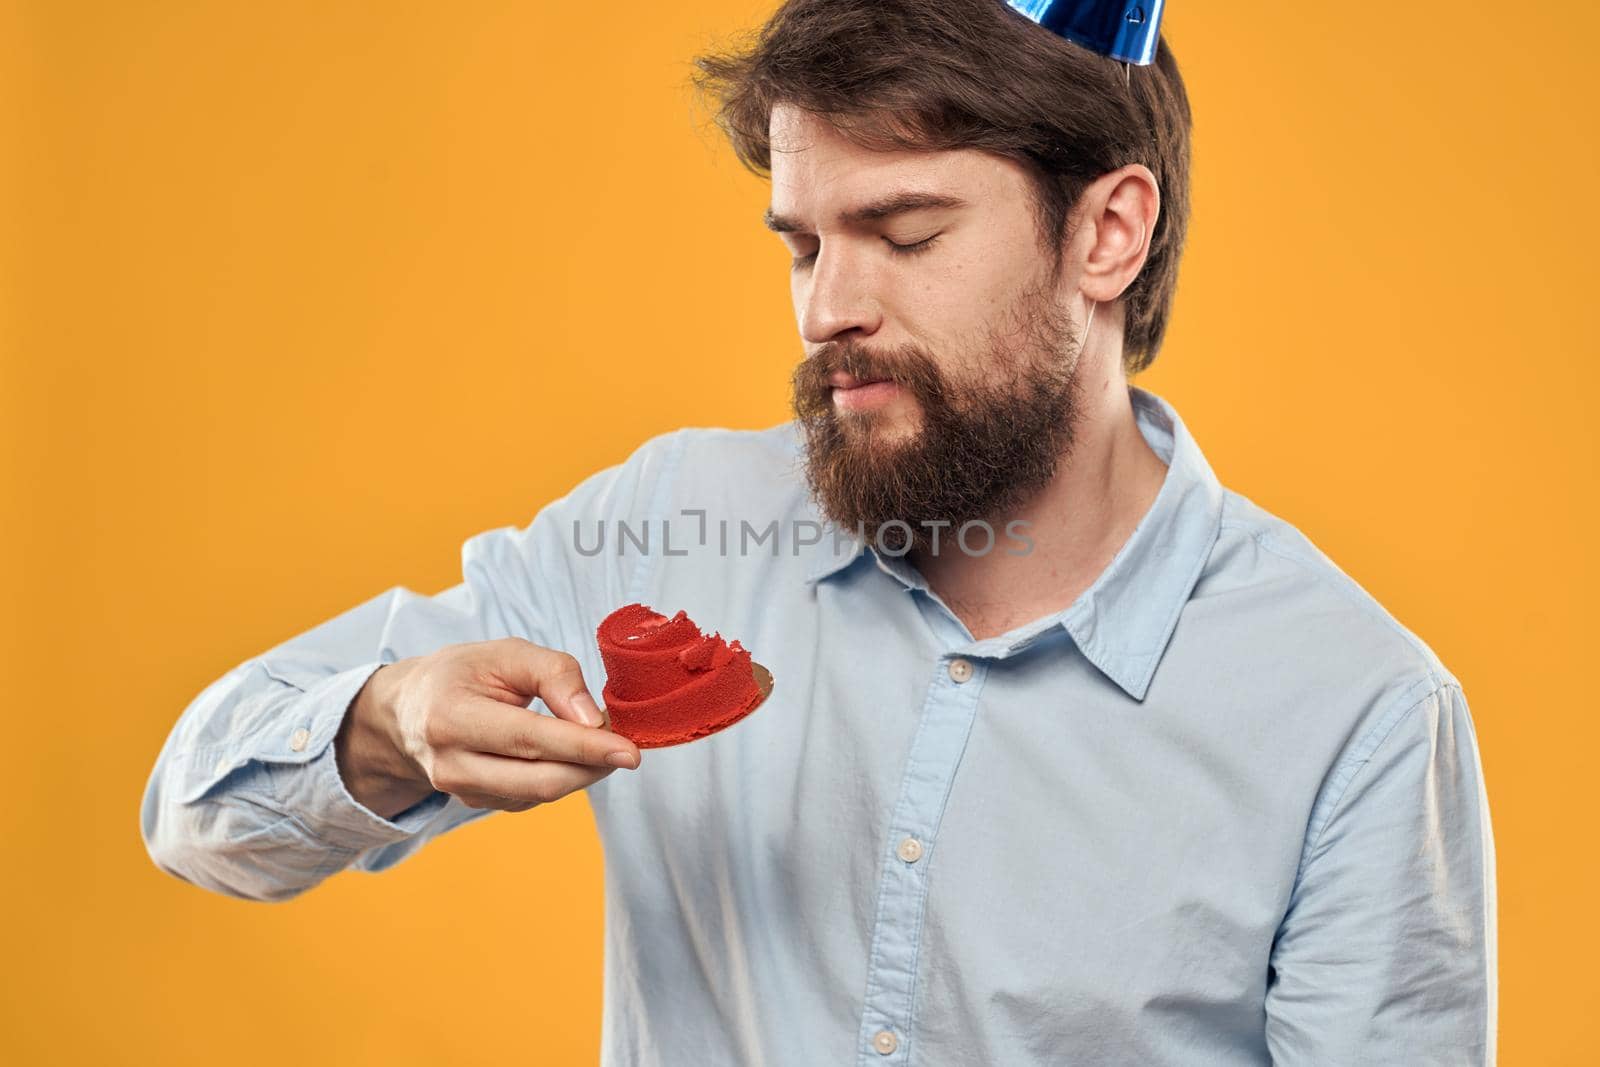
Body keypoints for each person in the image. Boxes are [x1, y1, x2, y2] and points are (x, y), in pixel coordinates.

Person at [140, 1, 1497, 1063]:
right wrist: (389, 721)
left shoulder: (1355, 717)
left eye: (904, 234)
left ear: (1107, 234)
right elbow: (195, 810)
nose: (825, 307)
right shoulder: (664, 529)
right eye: (802, 243)